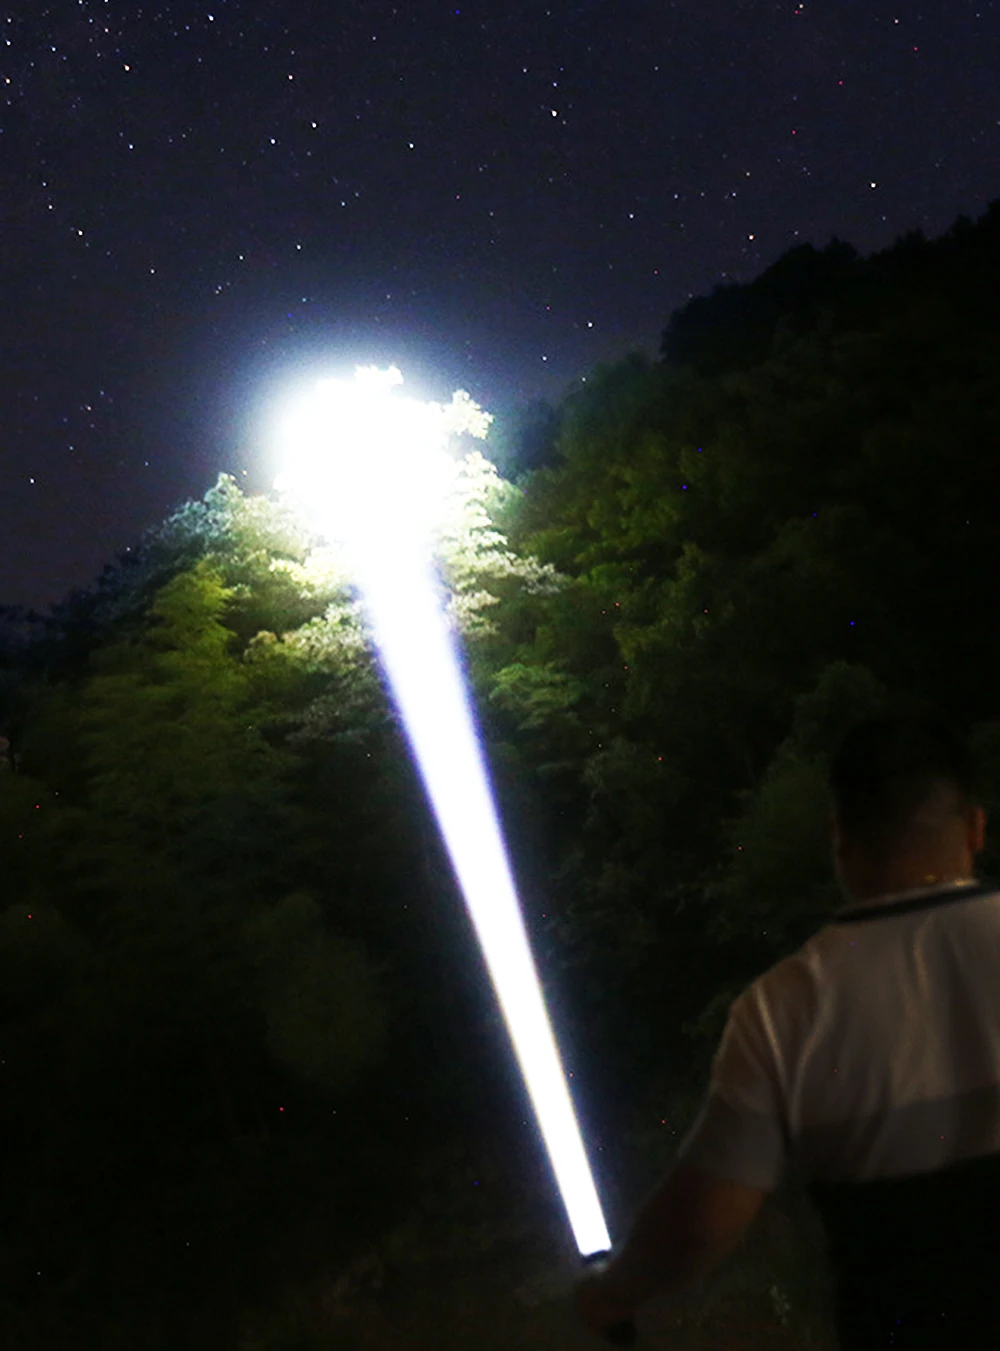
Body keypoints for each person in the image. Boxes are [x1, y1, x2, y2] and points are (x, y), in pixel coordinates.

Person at [577, 713, 999, 1348]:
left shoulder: (784, 1011)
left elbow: (701, 1222)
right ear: (975, 828)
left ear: (841, 841)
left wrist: (613, 1291)